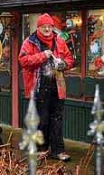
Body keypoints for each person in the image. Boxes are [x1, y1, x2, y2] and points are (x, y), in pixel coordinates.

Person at [18, 13, 74, 161]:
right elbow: (23, 60)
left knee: (57, 119)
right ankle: (39, 150)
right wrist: (42, 55)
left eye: (50, 26)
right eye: (44, 27)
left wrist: (63, 64)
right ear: (39, 27)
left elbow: (70, 59)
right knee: (41, 120)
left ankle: (58, 151)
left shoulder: (60, 41)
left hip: (57, 86)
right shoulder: (29, 42)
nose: (48, 29)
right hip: (38, 88)